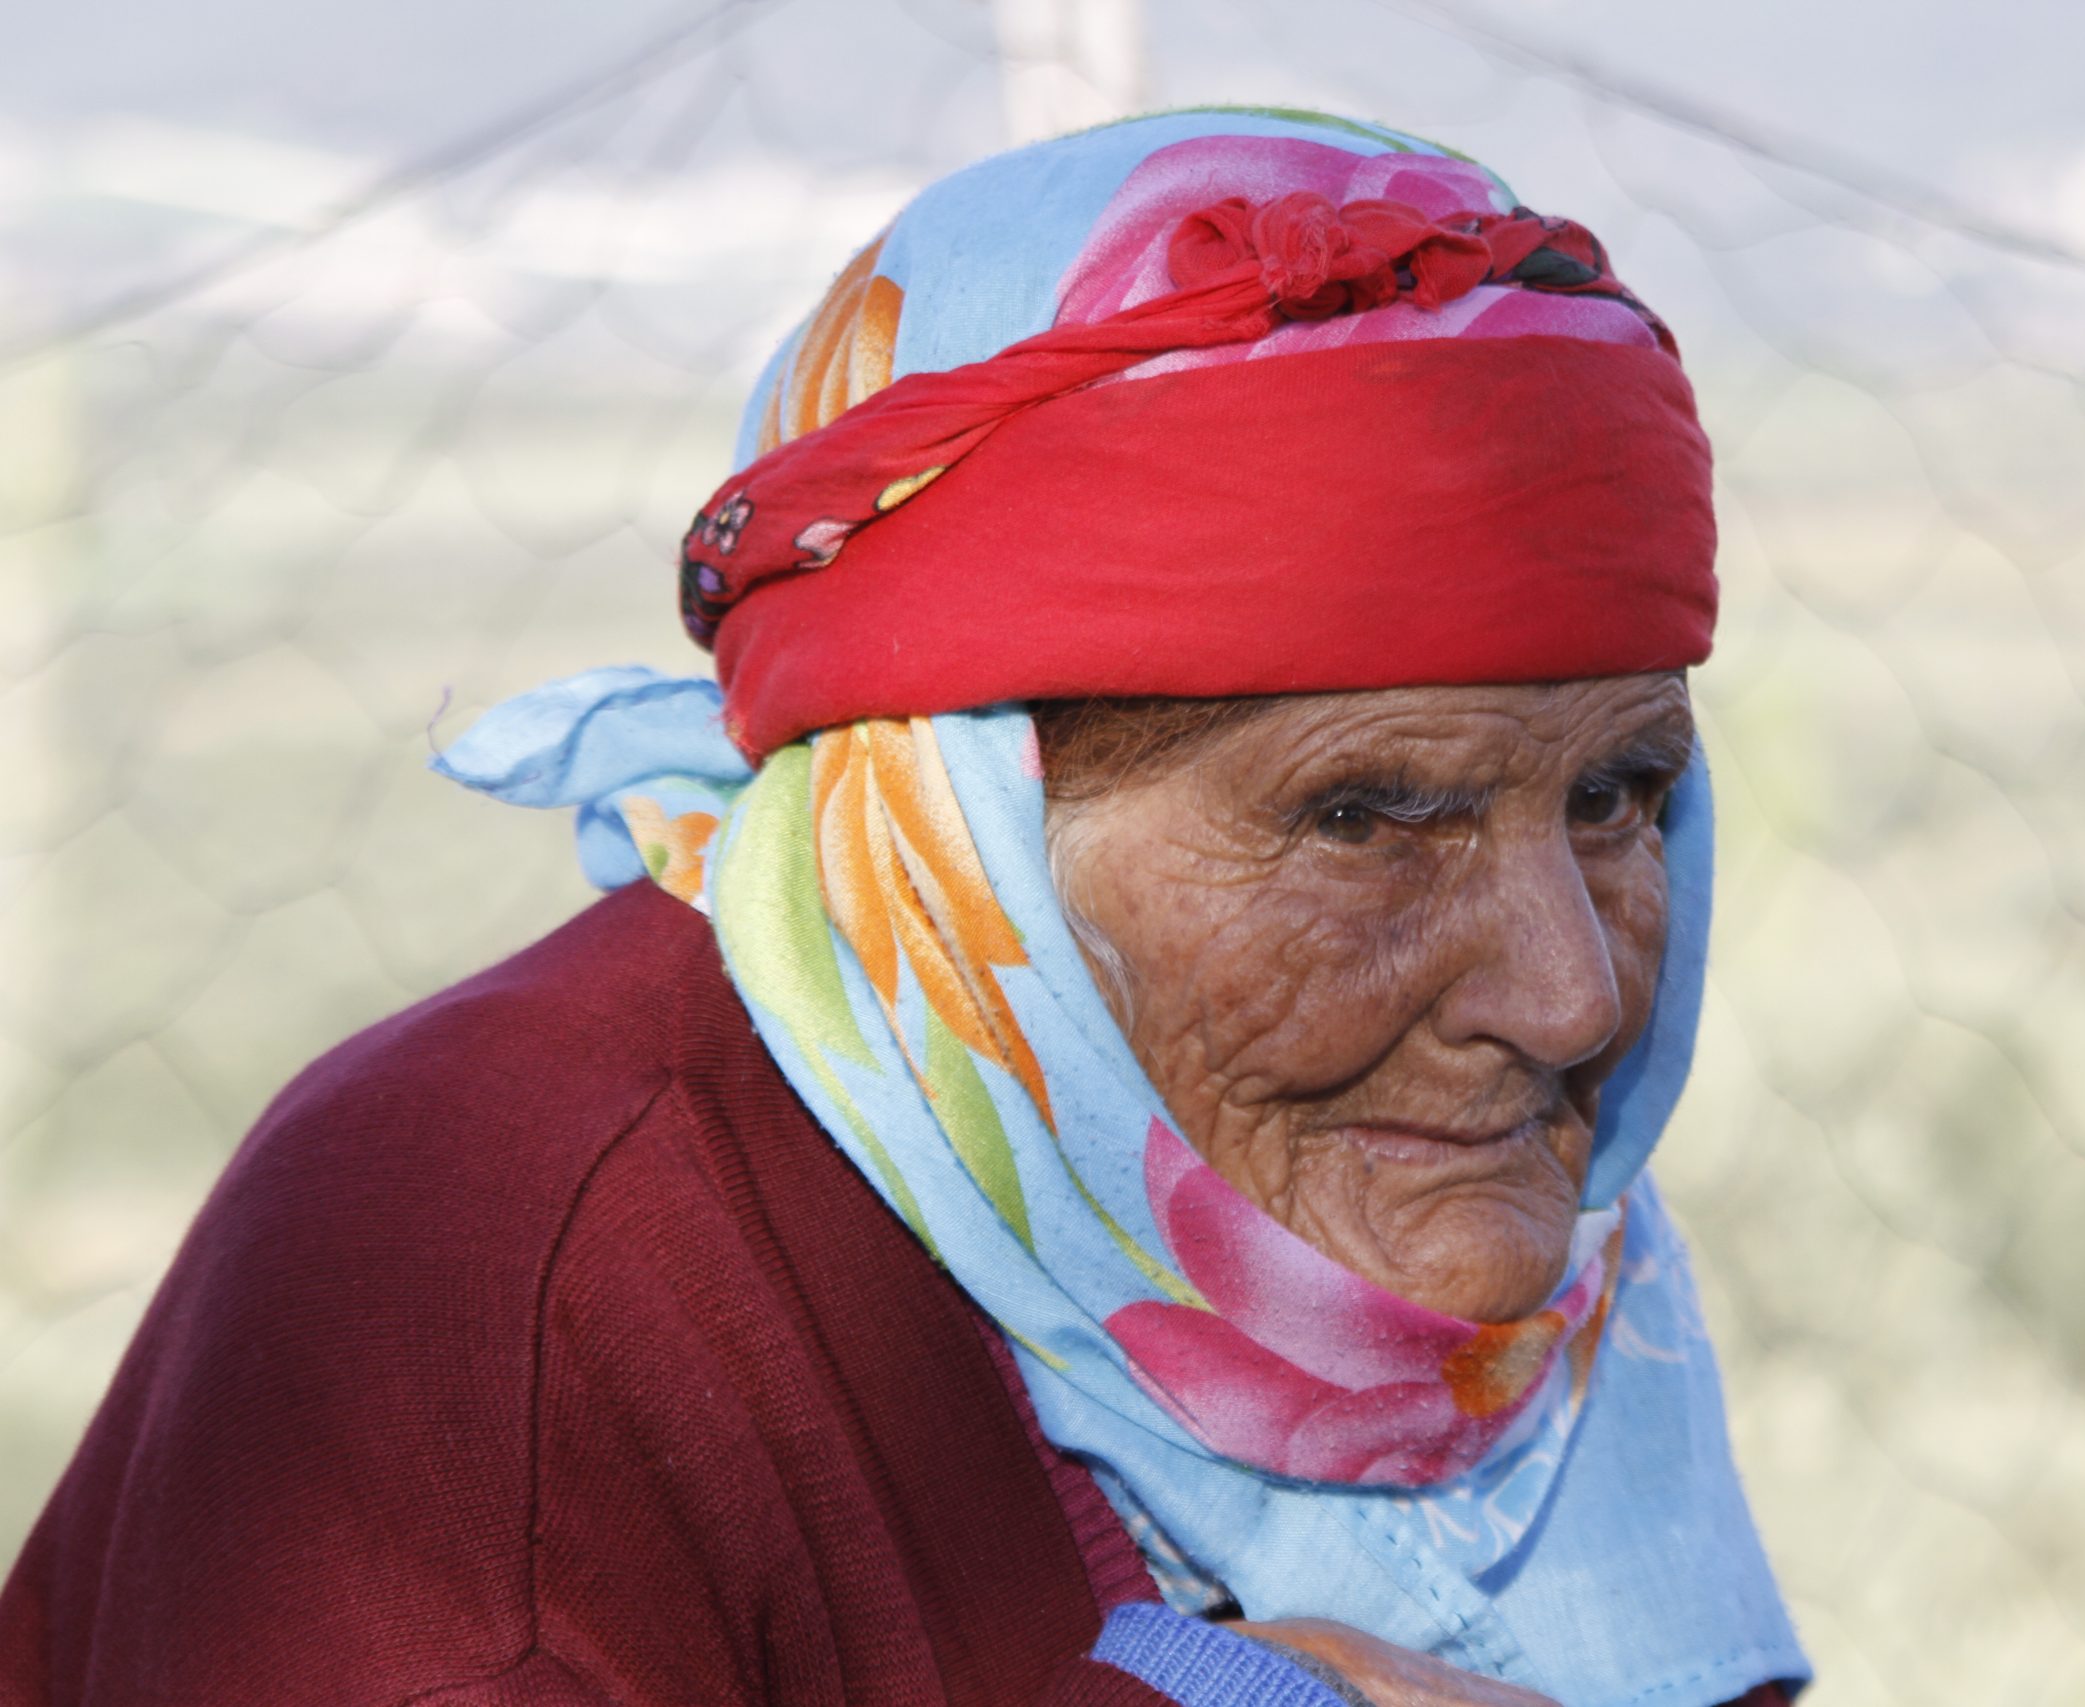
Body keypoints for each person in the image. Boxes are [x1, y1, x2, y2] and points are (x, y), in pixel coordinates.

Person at [0, 110, 1810, 1707]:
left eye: (1618, 795)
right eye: (1363, 819)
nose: (1570, 998)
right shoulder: (491, 1277)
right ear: (961, 818)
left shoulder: (1473, 1264)